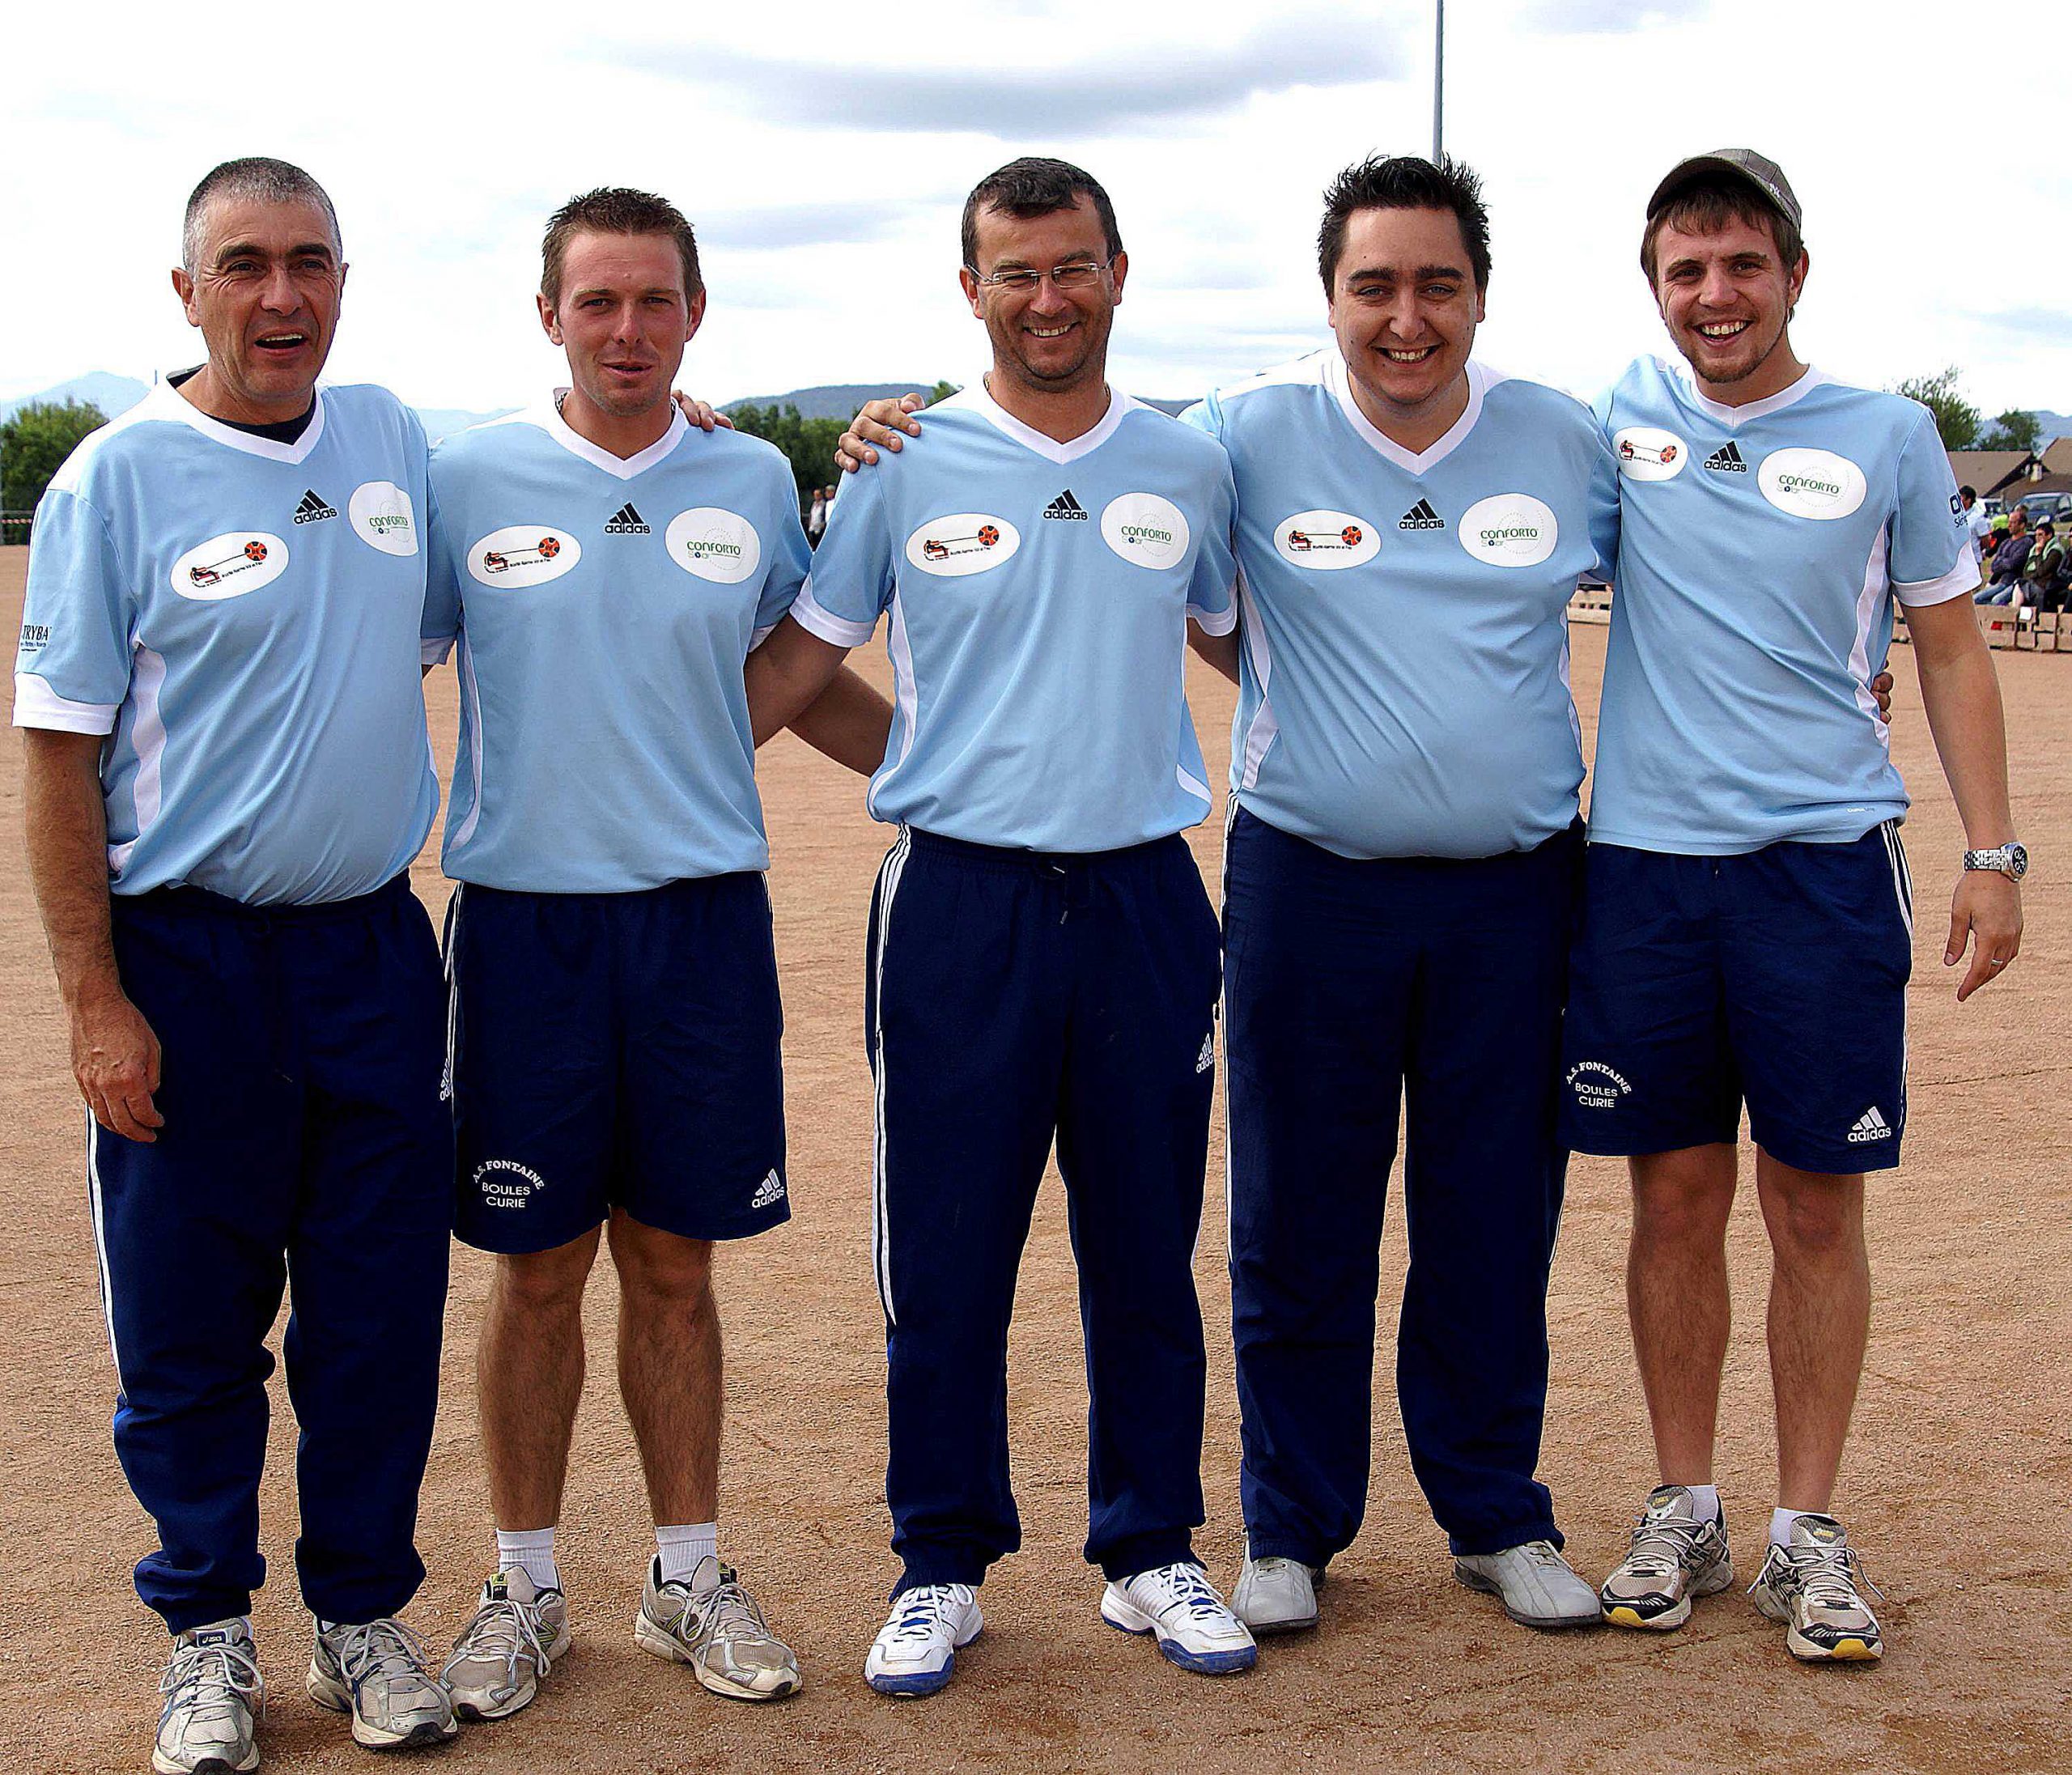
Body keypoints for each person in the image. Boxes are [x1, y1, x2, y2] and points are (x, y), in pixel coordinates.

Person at [746, 155, 1256, 1696]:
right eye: (1016, 272)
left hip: (1145, 898)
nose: (1048, 297)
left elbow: (1267, 645)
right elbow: (793, 661)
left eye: (1073, 266)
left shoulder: (1192, 465)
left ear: (1118, 272)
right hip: (957, 900)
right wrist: (641, 755)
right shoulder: (899, 460)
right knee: (949, 1254)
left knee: (1146, 1247)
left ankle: (1151, 1542)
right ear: (971, 289)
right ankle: (941, 1559)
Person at [423, 187, 891, 1724]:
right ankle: (526, 1584)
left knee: (676, 1266)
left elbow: (797, 678)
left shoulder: (752, 474)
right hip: (525, 927)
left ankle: (687, 1574)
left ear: (696, 313)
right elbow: (378, 647)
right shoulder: (463, 475)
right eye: (597, 302)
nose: (627, 330)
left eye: (654, 303)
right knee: (536, 1267)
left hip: (698, 925)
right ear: (547, 312)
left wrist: (947, 774)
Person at [15, 157, 458, 1771]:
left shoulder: (396, 441)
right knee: (193, 1330)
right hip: (183, 964)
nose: (284, 295)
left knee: (375, 1316)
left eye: (312, 261)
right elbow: (58, 758)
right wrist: (94, 1002)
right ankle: (207, 1633)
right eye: (248, 264)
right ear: (186, 288)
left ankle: (358, 1615)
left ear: (343, 279)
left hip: (368, 953)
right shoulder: (114, 481)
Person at [1573, 149, 2023, 1663]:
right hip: (1641, 869)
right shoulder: (1609, 423)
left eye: (1743, 264)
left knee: (1815, 1202)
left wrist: (1995, 849)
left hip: (1824, 867)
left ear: (1794, 275)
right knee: (1675, 1196)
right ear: (1656, 288)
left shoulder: (1889, 433)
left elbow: (1952, 648)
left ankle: (1804, 1527)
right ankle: (1685, 1498)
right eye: (1687, 270)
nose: (1717, 295)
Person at [1180, 154, 1607, 1637]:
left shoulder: (1569, 440)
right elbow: (1092, 491)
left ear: (1480, 293)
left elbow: (1716, 581)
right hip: (1311, 883)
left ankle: (1496, 1511)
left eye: (1438, 284)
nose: (1407, 318)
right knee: (1299, 1209)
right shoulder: (1242, 431)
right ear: (1330, 295)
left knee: (1495, 1210)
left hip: (1516, 894)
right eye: (1376, 285)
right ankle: (1290, 1524)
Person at [1978, 505, 2033, 605]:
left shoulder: (2026, 543)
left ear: (2022, 525)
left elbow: (2014, 564)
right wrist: (2004, 562)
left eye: (2013, 523)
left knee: (1997, 601)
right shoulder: (2005, 542)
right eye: (2009, 522)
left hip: (2015, 583)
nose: (2009, 525)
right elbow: (1994, 566)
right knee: (1976, 599)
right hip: (2002, 582)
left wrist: (2002, 561)